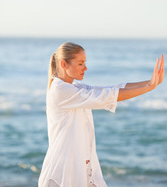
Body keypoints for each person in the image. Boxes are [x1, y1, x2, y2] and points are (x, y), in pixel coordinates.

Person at [38, 42, 165, 187]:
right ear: (64, 64)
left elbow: (110, 89)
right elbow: (105, 96)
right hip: (62, 175)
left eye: (84, 63)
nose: (85, 68)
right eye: (80, 63)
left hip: (81, 169)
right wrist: (149, 87)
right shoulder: (61, 91)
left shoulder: (74, 87)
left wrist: (151, 82)